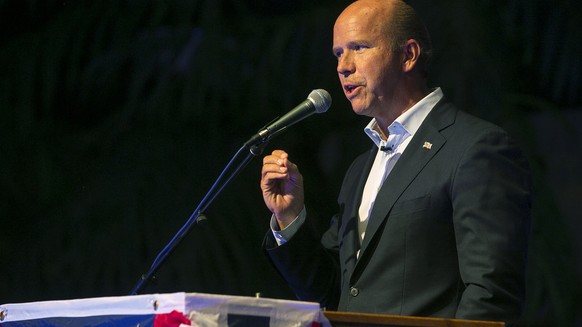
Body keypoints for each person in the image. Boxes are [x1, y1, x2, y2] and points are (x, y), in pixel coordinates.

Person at [260, 0, 531, 325]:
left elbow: (491, 293)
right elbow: (336, 294)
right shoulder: (360, 169)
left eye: (358, 48)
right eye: (338, 53)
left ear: (408, 55)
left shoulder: (475, 148)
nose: (343, 66)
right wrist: (289, 217)